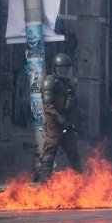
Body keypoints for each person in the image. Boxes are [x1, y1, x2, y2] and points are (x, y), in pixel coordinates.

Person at [39, 53, 82, 182]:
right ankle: (45, 184)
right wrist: (62, 121)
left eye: (66, 68)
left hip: (66, 123)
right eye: (61, 68)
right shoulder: (49, 82)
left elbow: (70, 106)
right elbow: (48, 107)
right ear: (55, 68)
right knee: (49, 153)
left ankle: (80, 182)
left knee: (73, 152)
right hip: (54, 124)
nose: (64, 70)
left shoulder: (67, 84)